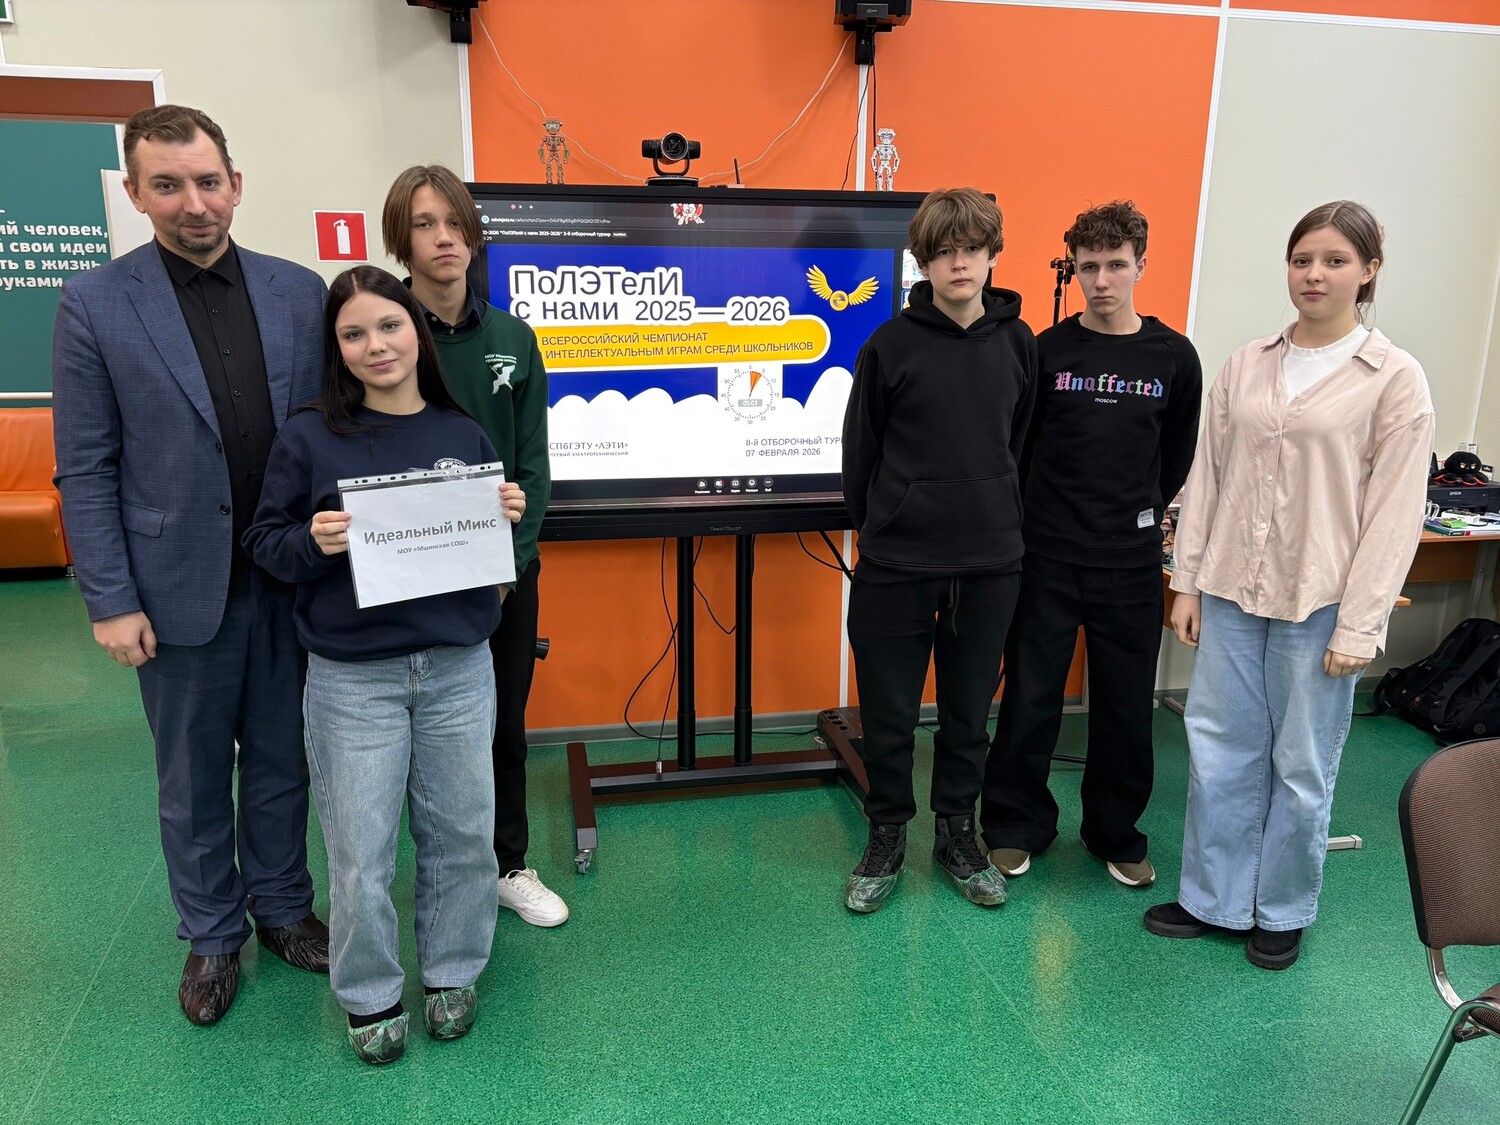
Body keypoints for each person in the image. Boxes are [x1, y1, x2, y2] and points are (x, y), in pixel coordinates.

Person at [51, 104, 330, 1026]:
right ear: (136, 193)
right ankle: (212, 933)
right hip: (172, 592)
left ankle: (283, 908)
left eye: (208, 181)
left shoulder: (300, 293)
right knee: (194, 773)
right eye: (167, 185)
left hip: (289, 579)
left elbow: (336, 435)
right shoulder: (95, 304)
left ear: (236, 185)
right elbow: (85, 465)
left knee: (284, 760)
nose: (193, 202)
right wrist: (109, 598)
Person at [244, 266, 527, 1064]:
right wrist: (313, 541)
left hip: (458, 668)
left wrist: (500, 515)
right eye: (354, 333)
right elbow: (266, 542)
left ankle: (452, 971)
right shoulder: (309, 436)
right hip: (353, 679)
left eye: (389, 325)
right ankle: (369, 992)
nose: (376, 345)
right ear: (335, 348)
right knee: (361, 849)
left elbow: (485, 551)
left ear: (416, 333)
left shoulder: (461, 433)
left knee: (463, 834)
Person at [1145, 201, 1435, 969]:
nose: (1314, 274)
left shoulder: (1394, 379)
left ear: (1369, 271)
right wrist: (1187, 583)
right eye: (1303, 259)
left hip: (1321, 601)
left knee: (1300, 763)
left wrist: (1361, 623)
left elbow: (1394, 515)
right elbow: (1207, 477)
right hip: (1232, 590)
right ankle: (1213, 897)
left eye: (1335, 260)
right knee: (1219, 748)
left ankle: (1280, 907)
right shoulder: (1247, 363)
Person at [981, 201, 1202, 889]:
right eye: (1088, 267)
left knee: (1125, 706)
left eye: (1115, 265)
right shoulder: (1045, 350)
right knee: (1030, 698)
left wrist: (1135, 513)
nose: (1101, 280)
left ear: (1141, 265)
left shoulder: (1174, 357)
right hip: (1047, 556)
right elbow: (1019, 449)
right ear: (1073, 268)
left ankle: (1115, 832)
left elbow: (1175, 457)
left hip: (1128, 564)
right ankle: (1015, 825)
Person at [840, 187, 1038, 913]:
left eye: (972, 249)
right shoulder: (889, 345)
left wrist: (993, 512)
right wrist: (887, 523)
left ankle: (958, 834)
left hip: (990, 564)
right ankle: (887, 834)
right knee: (888, 715)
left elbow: (1020, 444)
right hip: (897, 564)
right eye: (944, 251)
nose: (959, 263)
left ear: (992, 255)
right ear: (923, 262)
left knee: (967, 715)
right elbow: (860, 454)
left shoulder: (1019, 343)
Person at [380, 165, 566, 927]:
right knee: (417, 735)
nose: (444, 238)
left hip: (501, 579)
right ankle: (441, 874)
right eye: (425, 224)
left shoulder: (512, 338)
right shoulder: (385, 335)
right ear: (402, 238)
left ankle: (507, 863)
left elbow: (533, 464)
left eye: (455, 222)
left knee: (502, 729)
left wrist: (506, 567)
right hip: (408, 574)